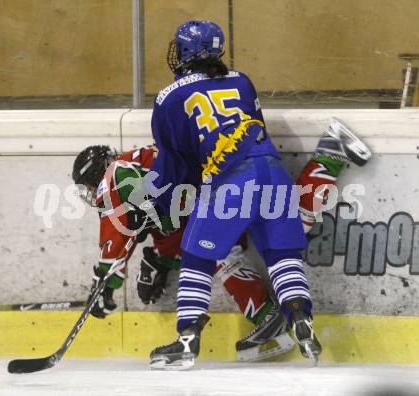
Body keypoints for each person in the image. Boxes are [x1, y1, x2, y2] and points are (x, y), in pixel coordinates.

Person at [147, 20, 371, 370]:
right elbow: (255, 129)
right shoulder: (241, 79)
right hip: (273, 174)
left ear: (186, 52)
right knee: (283, 255)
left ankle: (187, 339)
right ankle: (301, 319)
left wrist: (161, 201)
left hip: (232, 182)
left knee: (196, 256)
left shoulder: (168, 96)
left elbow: (175, 161)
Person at [71, 145, 295, 363]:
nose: (92, 193)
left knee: (215, 250)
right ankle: (267, 315)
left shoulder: (115, 173)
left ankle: (199, 333)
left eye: (90, 188)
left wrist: (104, 280)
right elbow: (169, 223)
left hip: (211, 189)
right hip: (222, 183)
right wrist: (161, 260)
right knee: (221, 253)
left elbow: (117, 232)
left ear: (97, 172)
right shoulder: (136, 168)